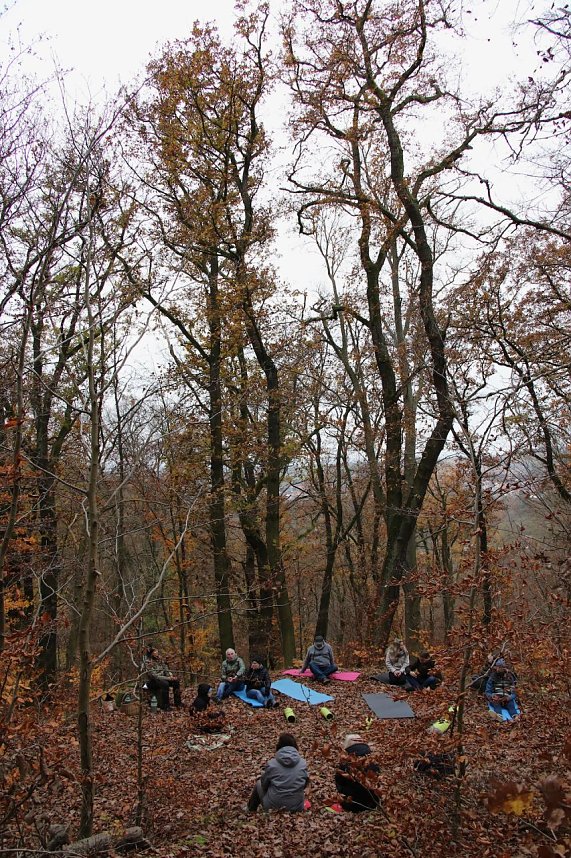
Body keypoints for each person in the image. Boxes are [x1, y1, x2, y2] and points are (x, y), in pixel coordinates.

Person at [247, 733, 309, 812]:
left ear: (279, 746)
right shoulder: (303, 764)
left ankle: (250, 810)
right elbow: (304, 784)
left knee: (258, 784)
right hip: (296, 807)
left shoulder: (272, 764)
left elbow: (264, 784)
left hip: (273, 807)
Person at [335, 734, 380, 812]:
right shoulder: (372, 760)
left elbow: (339, 783)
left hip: (353, 805)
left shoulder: (345, 763)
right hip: (375, 803)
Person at [141, 645, 182, 710]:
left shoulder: (160, 659)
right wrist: (168, 678)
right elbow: (155, 676)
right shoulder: (148, 662)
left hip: (163, 679)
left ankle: (178, 703)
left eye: (157, 652)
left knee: (176, 682)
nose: (157, 654)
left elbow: (166, 669)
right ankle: (166, 706)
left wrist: (170, 675)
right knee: (165, 684)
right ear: (151, 654)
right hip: (152, 682)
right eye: (155, 652)